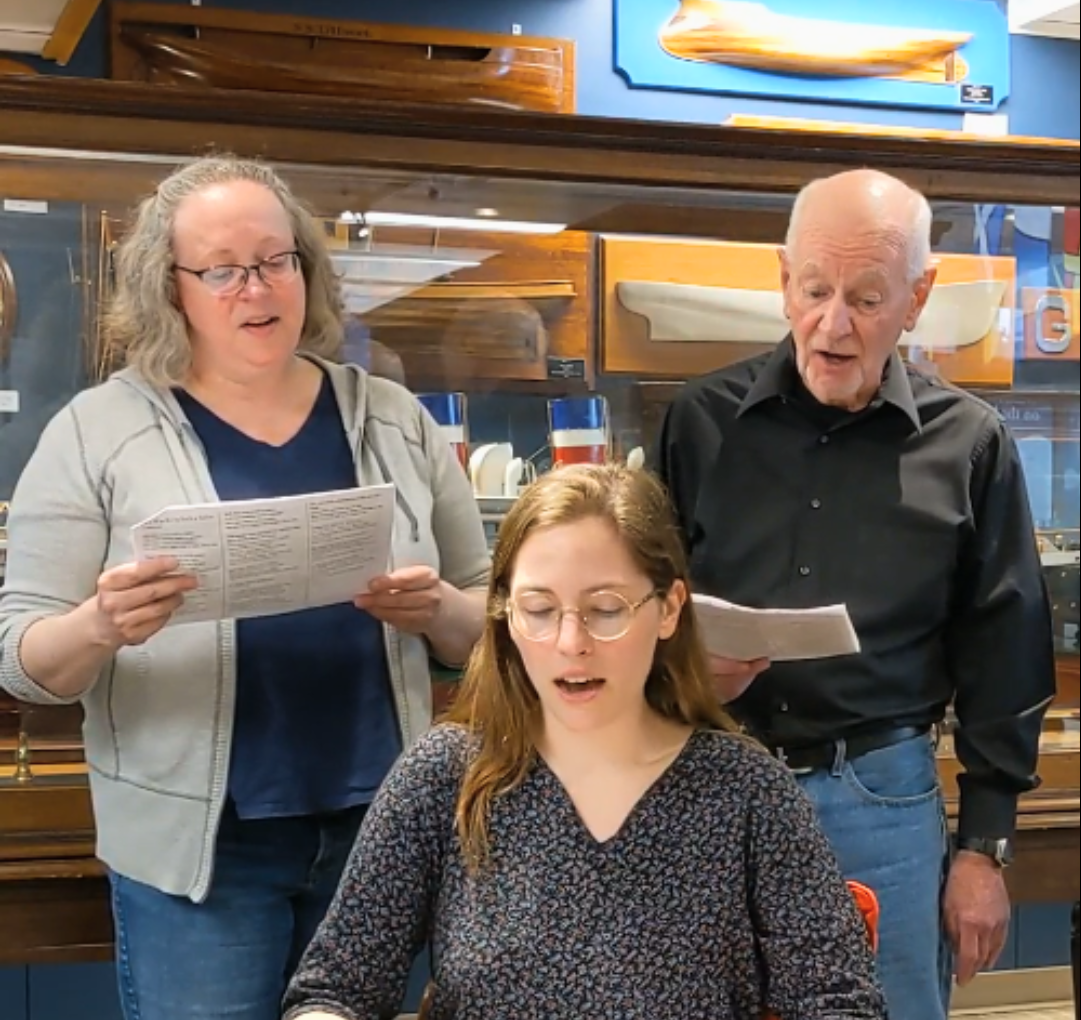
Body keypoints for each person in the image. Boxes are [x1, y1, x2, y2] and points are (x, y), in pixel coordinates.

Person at [0, 155, 491, 1020]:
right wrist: (103, 624)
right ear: (170, 288)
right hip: (202, 857)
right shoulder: (97, 429)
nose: (254, 289)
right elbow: (22, 657)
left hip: (380, 834)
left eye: (275, 261)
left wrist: (440, 611)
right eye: (221, 270)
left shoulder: (391, 416)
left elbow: (495, 623)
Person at [653, 168, 1057, 1020]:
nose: (831, 324)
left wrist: (983, 848)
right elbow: (639, 606)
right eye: (813, 290)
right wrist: (682, 665)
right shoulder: (697, 420)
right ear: (781, 279)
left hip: (881, 797)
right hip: (709, 783)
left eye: (867, 299)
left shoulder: (970, 444)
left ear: (917, 297)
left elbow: (1004, 653)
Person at [281, 463, 887, 1020]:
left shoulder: (747, 792)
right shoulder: (447, 775)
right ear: (505, 616)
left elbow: (835, 1000)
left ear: (670, 607)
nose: (571, 641)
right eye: (539, 609)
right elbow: (338, 986)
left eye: (606, 608)